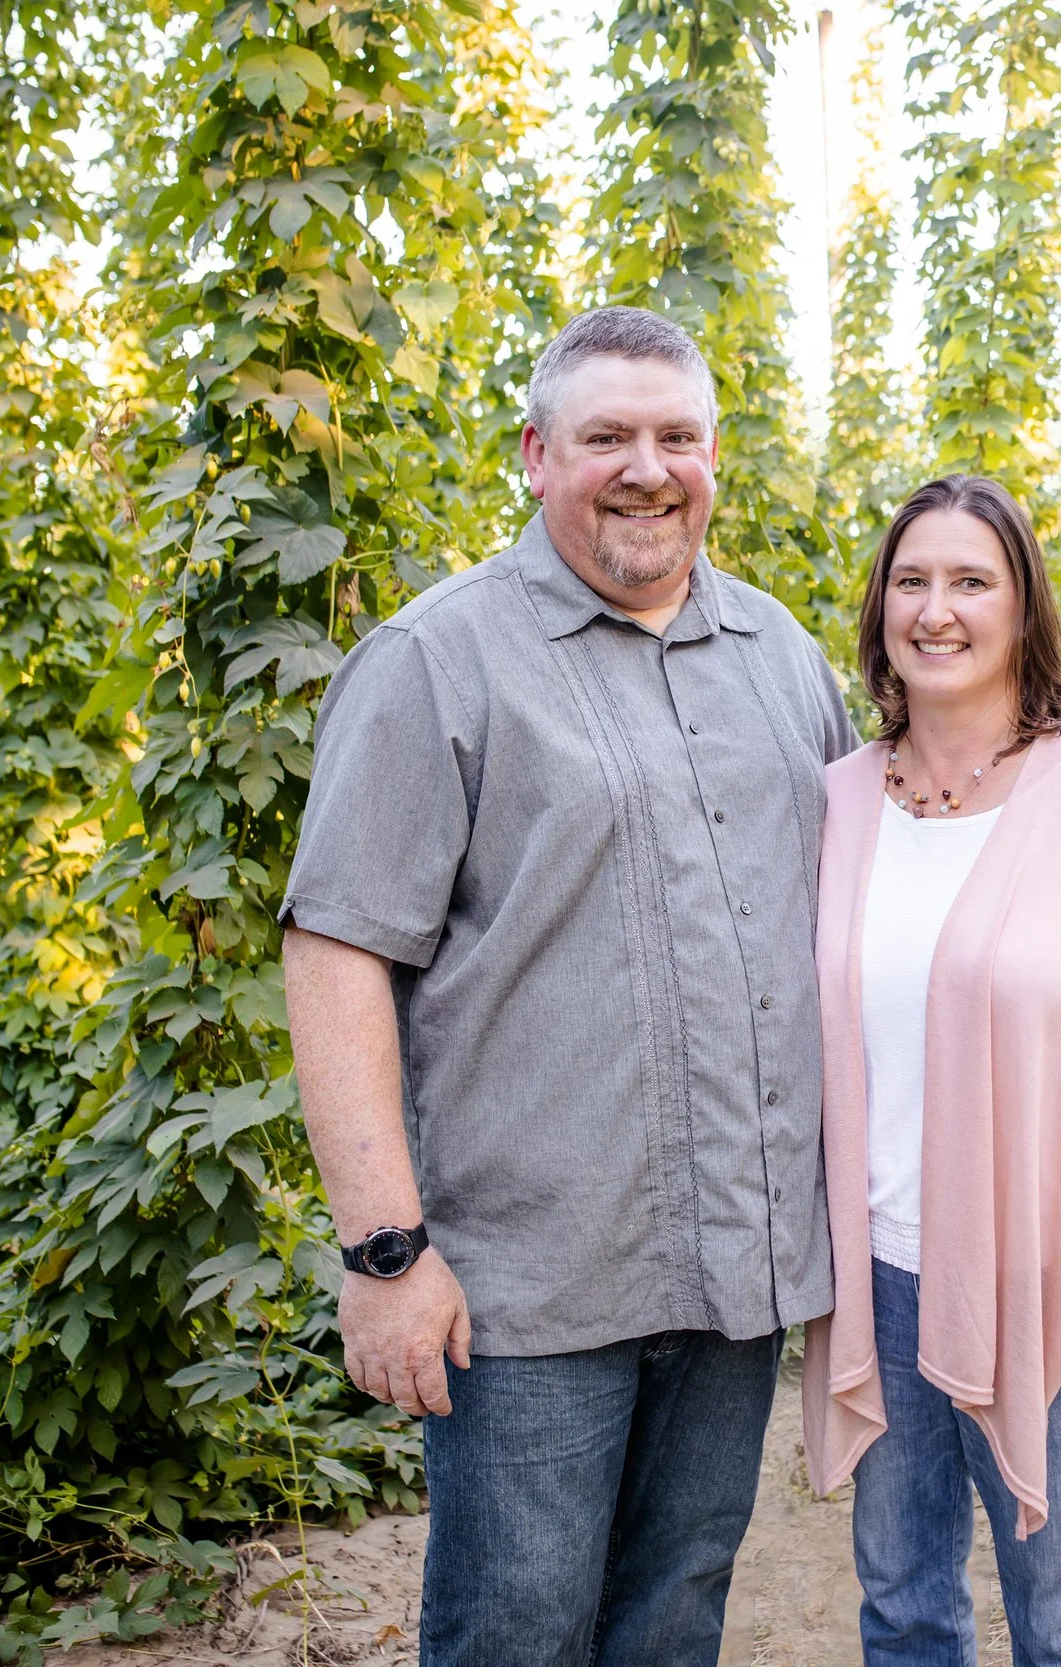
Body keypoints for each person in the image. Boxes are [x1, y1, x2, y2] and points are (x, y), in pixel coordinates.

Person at [281, 306, 856, 1667]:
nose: (646, 467)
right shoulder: (439, 661)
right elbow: (337, 949)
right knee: (518, 1634)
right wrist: (383, 1254)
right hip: (528, 1293)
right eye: (607, 436)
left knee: (673, 1620)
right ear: (538, 455)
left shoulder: (784, 660)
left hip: (739, 1274)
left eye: (676, 437)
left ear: (716, 457)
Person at [800, 475, 1061, 1667]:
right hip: (877, 1268)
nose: (937, 608)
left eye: (972, 580)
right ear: (878, 612)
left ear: (1024, 608)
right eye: (910, 581)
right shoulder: (835, 804)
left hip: (1060, 1277)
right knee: (905, 1608)